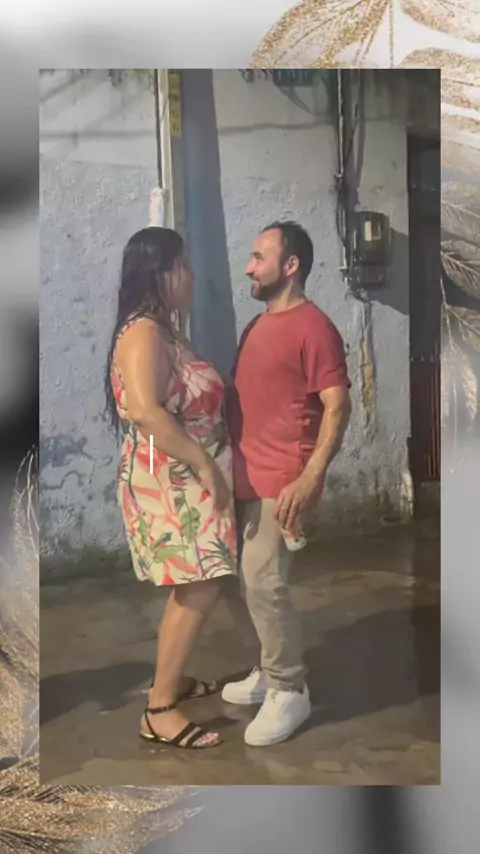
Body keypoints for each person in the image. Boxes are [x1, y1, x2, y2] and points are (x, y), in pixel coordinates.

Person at [105, 227, 237, 750]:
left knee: (195, 582)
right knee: (201, 583)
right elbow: (145, 411)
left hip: (179, 473)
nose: (191, 275)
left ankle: (171, 678)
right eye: (182, 265)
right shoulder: (144, 332)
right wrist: (205, 464)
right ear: (158, 273)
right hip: (171, 479)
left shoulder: (162, 329)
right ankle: (158, 709)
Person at [222, 221, 352, 746]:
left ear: (290, 265)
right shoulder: (256, 326)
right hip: (245, 475)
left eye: (259, 257)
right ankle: (268, 668)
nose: (248, 268)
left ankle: (289, 689)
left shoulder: (314, 328)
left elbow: (337, 406)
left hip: (283, 479)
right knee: (242, 583)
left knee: (264, 583)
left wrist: (311, 475)